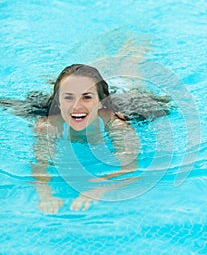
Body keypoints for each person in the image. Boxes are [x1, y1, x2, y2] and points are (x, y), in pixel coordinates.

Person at [0, 63, 171, 214]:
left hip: (126, 99)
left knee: (130, 72)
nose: (77, 106)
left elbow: (129, 165)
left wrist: (99, 188)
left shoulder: (116, 123)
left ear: (100, 102)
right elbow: (40, 165)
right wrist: (45, 195)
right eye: (68, 97)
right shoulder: (47, 126)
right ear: (58, 102)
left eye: (87, 97)